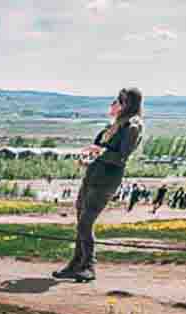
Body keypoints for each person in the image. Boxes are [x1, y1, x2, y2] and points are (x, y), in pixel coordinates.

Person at [54, 87, 143, 283]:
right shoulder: (112, 127)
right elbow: (99, 151)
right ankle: (75, 264)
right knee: (81, 223)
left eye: (118, 100)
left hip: (106, 181)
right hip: (92, 176)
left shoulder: (133, 127)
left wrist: (99, 151)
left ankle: (88, 266)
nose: (113, 104)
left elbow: (121, 157)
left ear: (127, 104)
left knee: (86, 222)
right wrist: (88, 158)